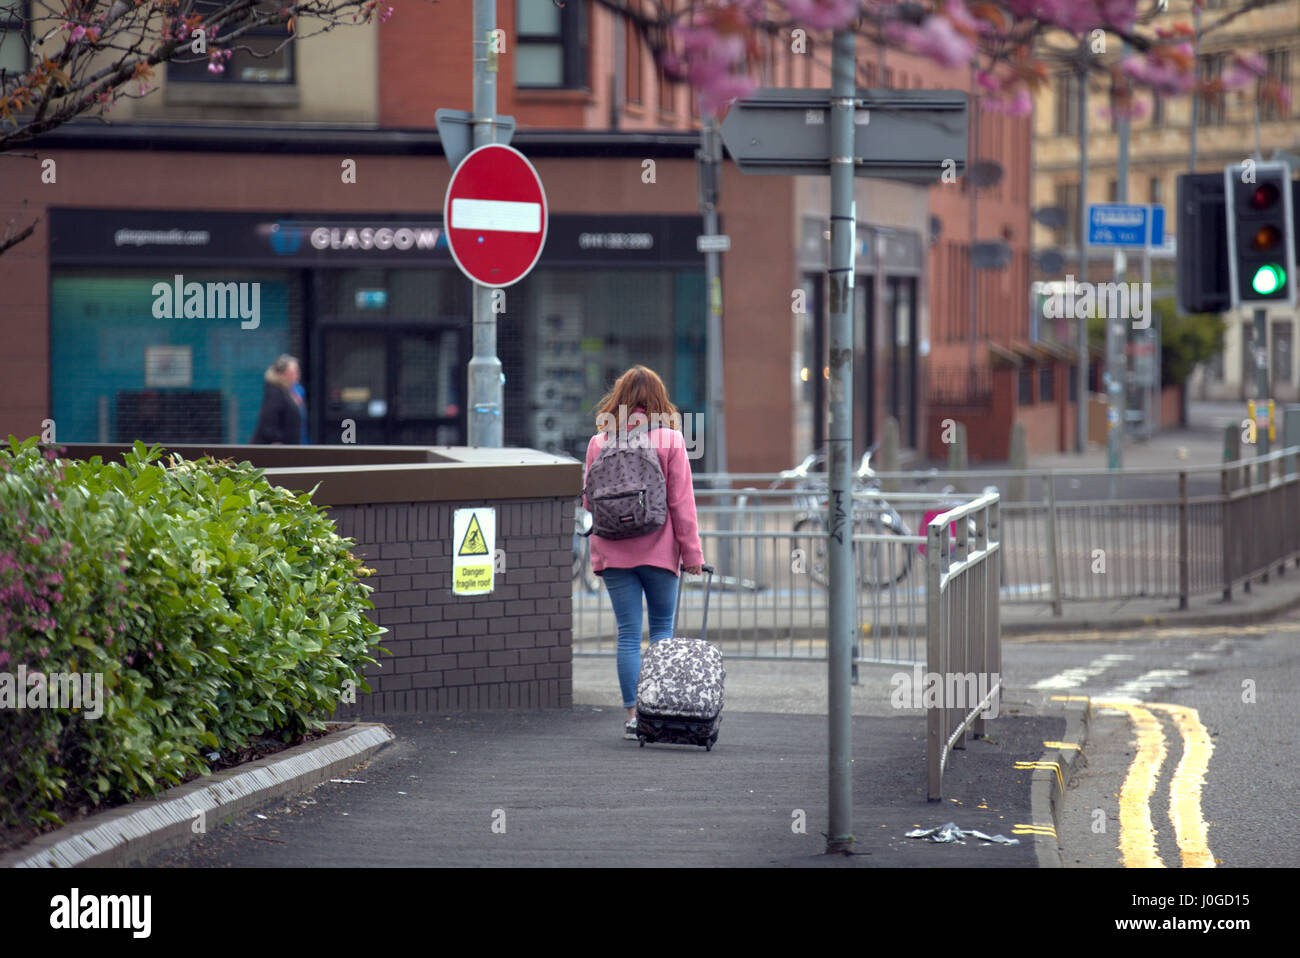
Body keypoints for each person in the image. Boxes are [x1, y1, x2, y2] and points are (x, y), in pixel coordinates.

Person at [582, 365, 704, 741]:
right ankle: (660, 711)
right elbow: (681, 504)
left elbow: (589, 502)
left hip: (613, 551)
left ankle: (634, 716)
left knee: (628, 635)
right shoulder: (669, 439)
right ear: (658, 399)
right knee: (662, 631)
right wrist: (693, 555)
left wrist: (599, 553)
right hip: (660, 551)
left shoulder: (599, 442)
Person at [250, 354, 302, 445]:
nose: (297, 375)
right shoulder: (275, 392)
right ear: (283, 374)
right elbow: (268, 422)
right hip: (276, 450)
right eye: (294, 372)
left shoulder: (287, 391)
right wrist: (277, 441)